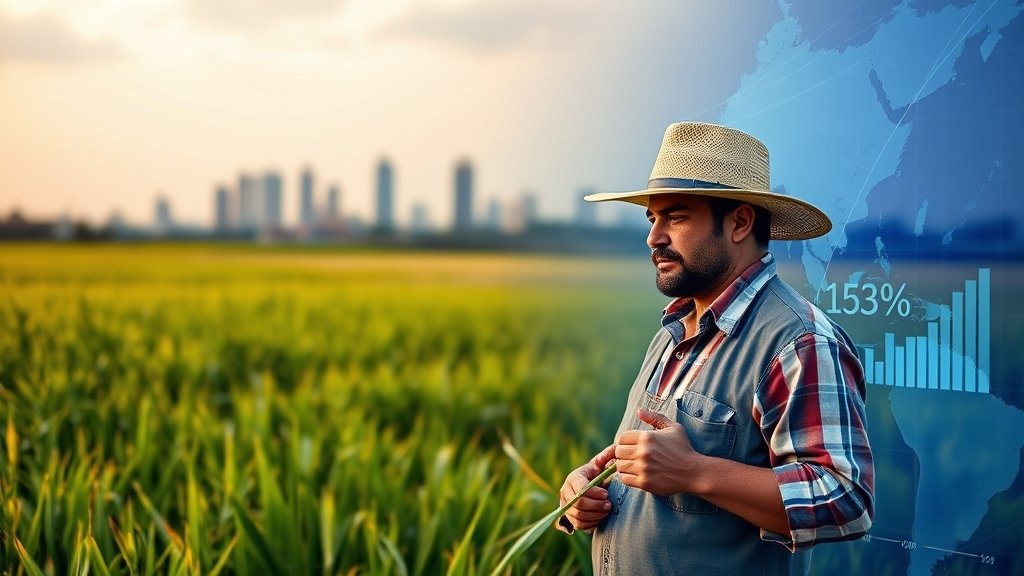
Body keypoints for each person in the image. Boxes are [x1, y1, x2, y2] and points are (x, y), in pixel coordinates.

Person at [557, 122, 874, 575]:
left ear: (740, 222)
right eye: (653, 218)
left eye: (677, 216)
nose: (654, 237)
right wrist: (589, 487)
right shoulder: (672, 329)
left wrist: (695, 472)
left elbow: (846, 498)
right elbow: (651, 460)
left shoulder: (797, 341)